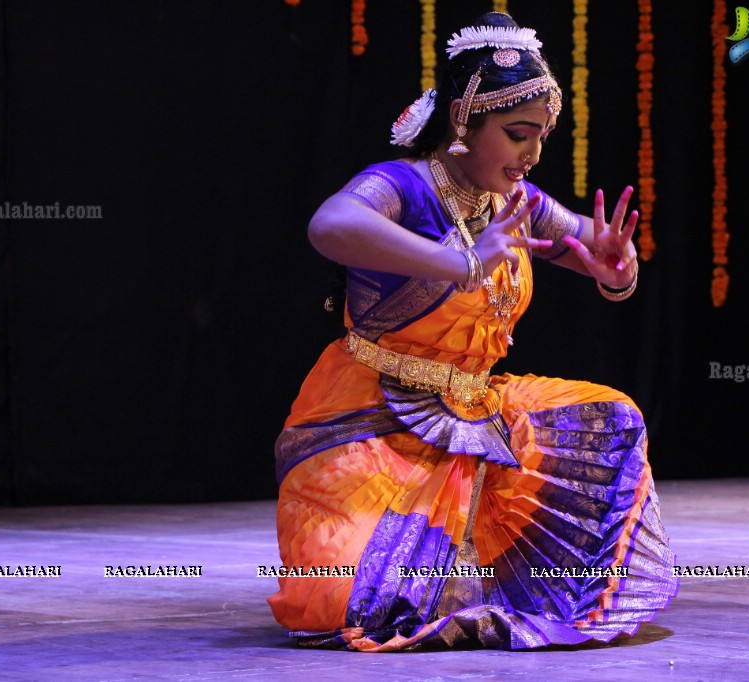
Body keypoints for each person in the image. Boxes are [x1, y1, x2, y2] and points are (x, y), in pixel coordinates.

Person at [268, 12, 678, 651]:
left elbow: (582, 238)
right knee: (347, 594)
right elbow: (329, 225)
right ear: (463, 122)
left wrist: (614, 267)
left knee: (612, 420)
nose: (532, 152)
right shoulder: (403, 185)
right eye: (518, 134)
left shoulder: (512, 200)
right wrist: (458, 262)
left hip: (473, 416)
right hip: (372, 424)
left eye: (542, 134)